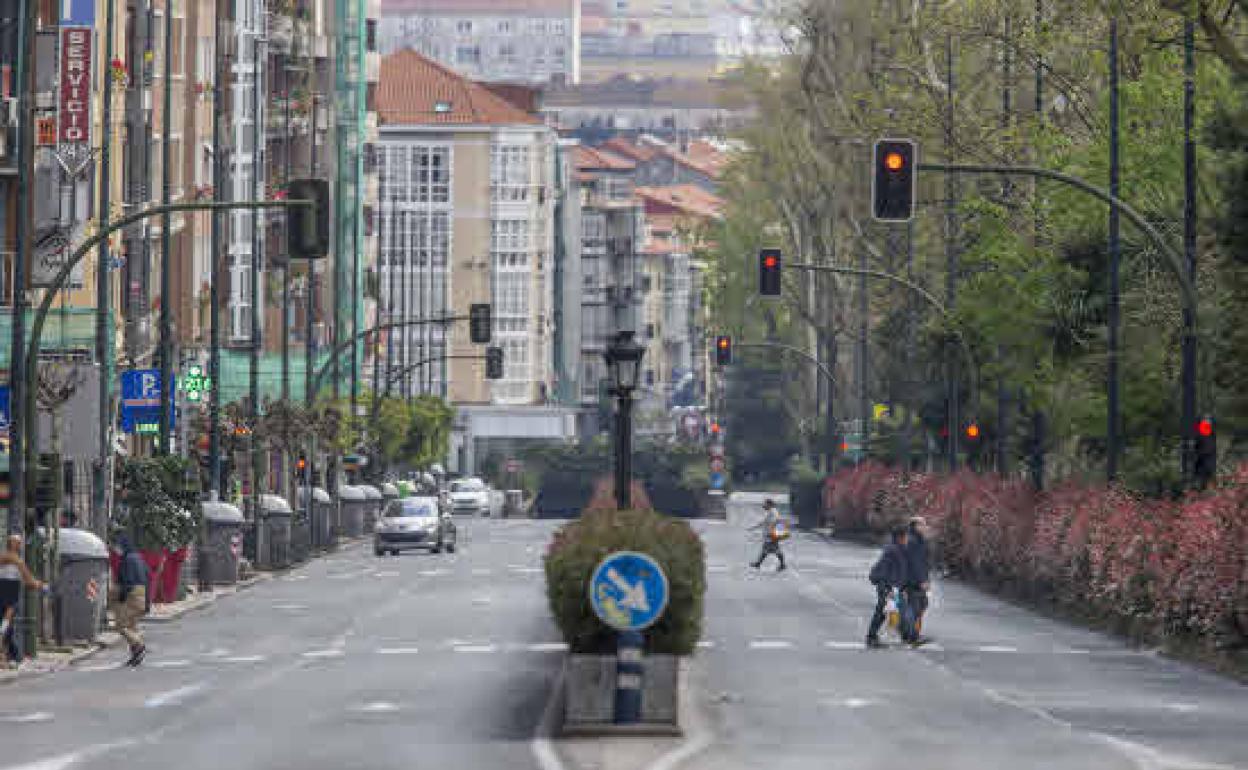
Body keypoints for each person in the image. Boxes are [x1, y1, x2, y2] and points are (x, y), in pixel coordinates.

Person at [0, 535, 49, 669]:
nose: (21, 546)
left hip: (3, 595)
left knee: (7, 626)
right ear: (14, 545)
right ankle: (8, 655)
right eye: (19, 543)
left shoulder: (3, 557)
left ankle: (11, 656)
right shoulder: (17, 561)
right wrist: (41, 585)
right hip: (10, 597)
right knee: (5, 626)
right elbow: (29, 580)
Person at [866, 526, 910, 648]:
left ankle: (907, 636)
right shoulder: (893, 550)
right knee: (884, 612)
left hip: (892, 587)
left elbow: (901, 572)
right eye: (906, 537)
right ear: (901, 538)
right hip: (887, 587)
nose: (908, 539)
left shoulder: (899, 549)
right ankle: (871, 637)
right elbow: (884, 570)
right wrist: (888, 589)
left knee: (892, 611)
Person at [112, 534, 149, 666]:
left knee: (121, 626)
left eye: (117, 546)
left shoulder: (127, 559)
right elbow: (147, 575)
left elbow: (128, 580)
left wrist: (121, 596)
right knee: (132, 627)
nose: (116, 549)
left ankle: (140, 646)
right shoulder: (138, 557)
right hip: (141, 594)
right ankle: (136, 655)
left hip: (131, 594)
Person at [903, 517, 932, 644]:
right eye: (923, 524)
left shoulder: (918, 540)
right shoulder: (913, 541)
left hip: (915, 579)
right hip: (913, 580)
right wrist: (922, 580)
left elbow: (923, 562)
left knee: (921, 604)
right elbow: (916, 563)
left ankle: (908, 633)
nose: (926, 527)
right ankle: (911, 635)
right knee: (915, 607)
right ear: (916, 526)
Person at [749, 499, 788, 571]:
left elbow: (773, 522)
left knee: (774, 550)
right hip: (770, 534)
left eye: (765, 504)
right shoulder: (771, 511)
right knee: (769, 550)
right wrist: (754, 527)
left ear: (769, 504)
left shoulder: (773, 512)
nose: (763, 506)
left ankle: (782, 565)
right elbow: (764, 522)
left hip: (771, 535)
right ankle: (758, 563)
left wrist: (771, 534)